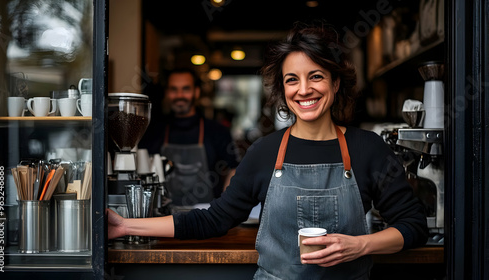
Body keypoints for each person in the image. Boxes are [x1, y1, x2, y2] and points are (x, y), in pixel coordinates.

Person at [108, 21, 428, 279]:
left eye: (315, 76)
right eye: (292, 80)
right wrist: (125, 225)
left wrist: (360, 246)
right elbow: (215, 220)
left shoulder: (367, 148)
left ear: (335, 83)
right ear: (283, 89)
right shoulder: (264, 152)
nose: (304, 90)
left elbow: (413, 226)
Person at [137, 68, 240, 207]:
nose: (180, 95)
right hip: (164, 215)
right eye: (174, 89)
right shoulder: (153, 131)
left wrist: (225, 207)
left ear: (196, 92)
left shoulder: (217, 131)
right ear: (167, 93)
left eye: (186, 89)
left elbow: (233, 170)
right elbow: (140, 170)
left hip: (206, 216)